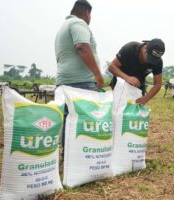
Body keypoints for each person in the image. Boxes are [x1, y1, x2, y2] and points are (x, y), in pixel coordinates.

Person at [54, 0, 104, 155]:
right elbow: (82, 46)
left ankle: (68, 155)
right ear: (87, 12)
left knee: (69, 119)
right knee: (84, 119)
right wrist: (97, 73)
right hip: (81, 82)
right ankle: (81, 154)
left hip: (64, 81)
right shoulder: (79, 24)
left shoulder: (63, 27)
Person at [109, 39, 165, 105]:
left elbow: (158, 84)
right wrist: (127, 78)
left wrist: (146, 98)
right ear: (145, 49)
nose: (150, 62)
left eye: (153, 60)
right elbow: (112, 67)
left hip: (138, 87)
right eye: (149, 58)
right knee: (118, 109)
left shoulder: (158, 62)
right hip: (120, 83)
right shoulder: (130, 48)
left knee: (135, 112)